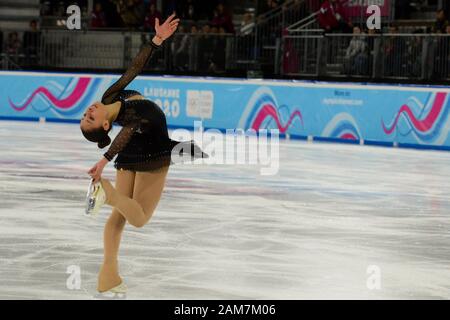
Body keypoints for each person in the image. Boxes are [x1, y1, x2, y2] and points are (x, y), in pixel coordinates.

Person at [79, 14, 207, 295]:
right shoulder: (126, 117)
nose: (88, 112)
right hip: (150, 153)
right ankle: (108, 195)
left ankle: (108, 277)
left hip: (134, 149)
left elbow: (133, 69)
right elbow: (129, 130)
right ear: (104, 126)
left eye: (85, 115)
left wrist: (157, 41)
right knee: (138, 218)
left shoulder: (110, 98)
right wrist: (104, 160)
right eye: (89, 119)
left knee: (118, 218)